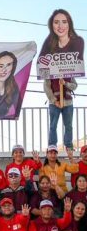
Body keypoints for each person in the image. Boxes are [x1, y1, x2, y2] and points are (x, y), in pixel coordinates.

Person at [40, 9, 83, 150]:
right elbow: (46, 86)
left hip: (68, 100)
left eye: (64, 22)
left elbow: (75, 86)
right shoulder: (50, 67)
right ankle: (52, 146)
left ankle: (69, 146)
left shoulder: (70, 68)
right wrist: (54, 100)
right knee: (53, 125)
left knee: (68, 125)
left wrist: (66, 84)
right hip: (55, 101)